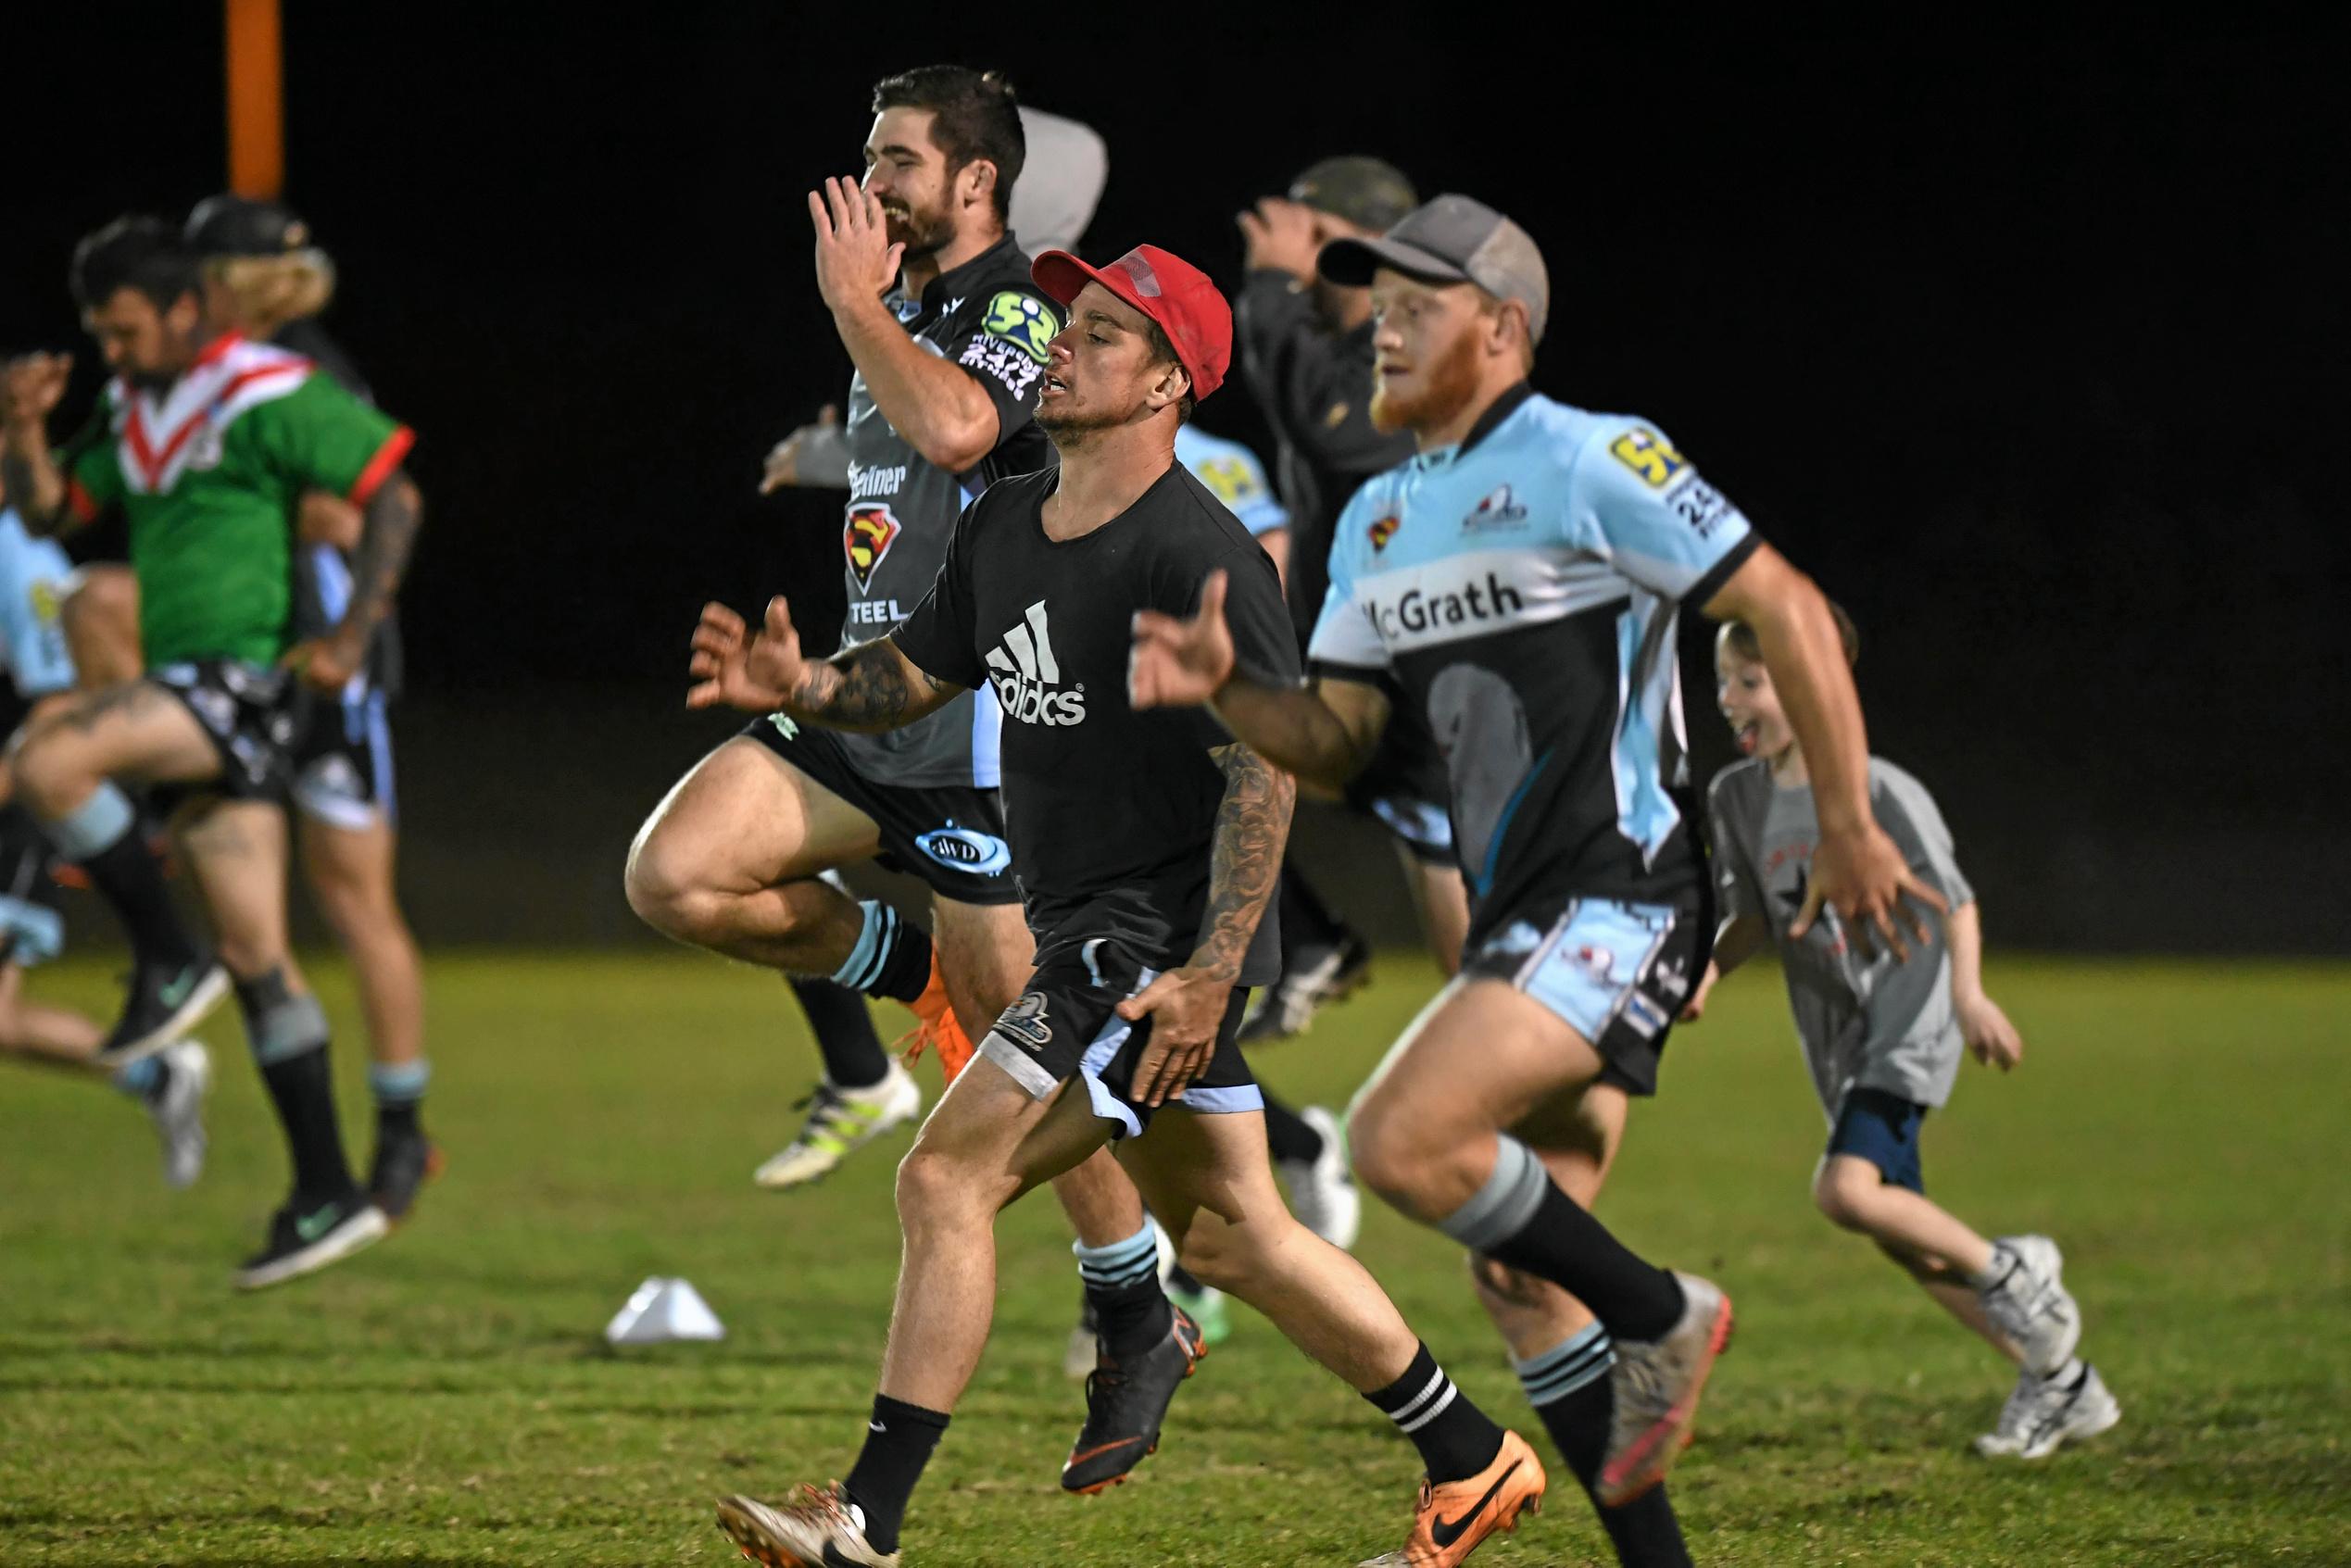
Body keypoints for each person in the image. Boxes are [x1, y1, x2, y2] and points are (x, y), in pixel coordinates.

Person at [695, 242, 1547, 1568]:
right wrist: (796, 683)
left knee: (946, 1174)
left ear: (1166, 384)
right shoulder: (1011, 516)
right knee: (1239, 1234)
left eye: (1098, 334)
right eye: (1063, 323)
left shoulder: (1193, 552)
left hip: (1146, 946)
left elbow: (1265, 772)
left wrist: (1211, 970)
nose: (1056, 344)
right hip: (1092, 924)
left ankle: (863, 1516)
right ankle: (1470, 1458)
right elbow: (914, 675)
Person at [1129, 192, 1955, 1524]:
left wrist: (1850, 821)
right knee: (1516, 1277)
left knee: (1402, 1140)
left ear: (1502, 329)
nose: (1380, 335)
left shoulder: (1593, 458)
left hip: (1624, 891)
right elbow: (1336, 742)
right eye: (1372, 309)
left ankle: (1663, 1309)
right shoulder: (1380, 520)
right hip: (1527, 911)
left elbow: (1785, 607)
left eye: (1414, 310)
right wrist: (1228, 684)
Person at [1, 215, 422, 1287]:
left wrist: (348, 632)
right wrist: (22, 430)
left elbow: (393, 494)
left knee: (46, 763)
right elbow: (52, 509)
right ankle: (326, 1189)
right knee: (262, 960)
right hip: (196, 693)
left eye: (127, 328)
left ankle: (162, 956)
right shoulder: (139, 402)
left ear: (187, 310)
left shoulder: (265, 390)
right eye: (101, 333)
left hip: (239, 683)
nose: (113, 350)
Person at [1691, 611, 2119, 1461]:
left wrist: (1967, 995)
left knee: (1846, 1191)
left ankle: (2013, 1274)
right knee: (1904, 1236)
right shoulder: (1733, 797)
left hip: (1907, 1013)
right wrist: (1699, 975)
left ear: (1818, 686)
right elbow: (1749, 916)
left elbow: (1953, 897)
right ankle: (2064, 1382)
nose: (1730, 699)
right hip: (1837, 1034)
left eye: (1752, 680)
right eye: (1723, 683)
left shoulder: (1873, 788)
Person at [1234, 156, 1466, 1047]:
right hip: (1344, 659)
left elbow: (1330, 428)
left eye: (1324, 243)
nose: (1308, 263)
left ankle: (1511, 1102)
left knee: (1465, 937)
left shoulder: (1415, 343)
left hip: (1424, 672)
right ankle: (1311, 940)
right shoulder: (1335, 347)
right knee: (1197, 735)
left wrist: (1270, 284)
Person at [0, 485, 208, 1183]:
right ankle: (155, 1075)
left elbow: (63, 699)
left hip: (19, 806)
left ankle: (157, 1072)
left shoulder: (17, 553)